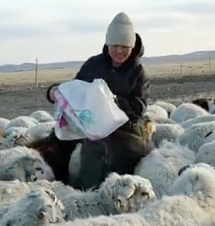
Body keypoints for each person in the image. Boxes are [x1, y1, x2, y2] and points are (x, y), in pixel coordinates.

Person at [44, 12, 152, 190]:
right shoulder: (94, 65)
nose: (119, 51)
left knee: (132, 171)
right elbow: (75, 90)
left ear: (132, 47)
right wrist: (54, 91)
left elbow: (138, 107)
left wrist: (111, 100)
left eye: (124, 46)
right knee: (84, 161)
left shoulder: (138, 72)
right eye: (114, 45)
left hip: (126, 133)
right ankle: (88, 198)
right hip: (94, 131)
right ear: (107, 44)